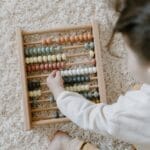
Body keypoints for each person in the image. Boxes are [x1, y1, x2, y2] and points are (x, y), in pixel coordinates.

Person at [47, 0, 150, 149]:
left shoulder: (128, 114)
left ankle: (68, 145)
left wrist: (60, 94)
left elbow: (91, 116)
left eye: (128, 51)